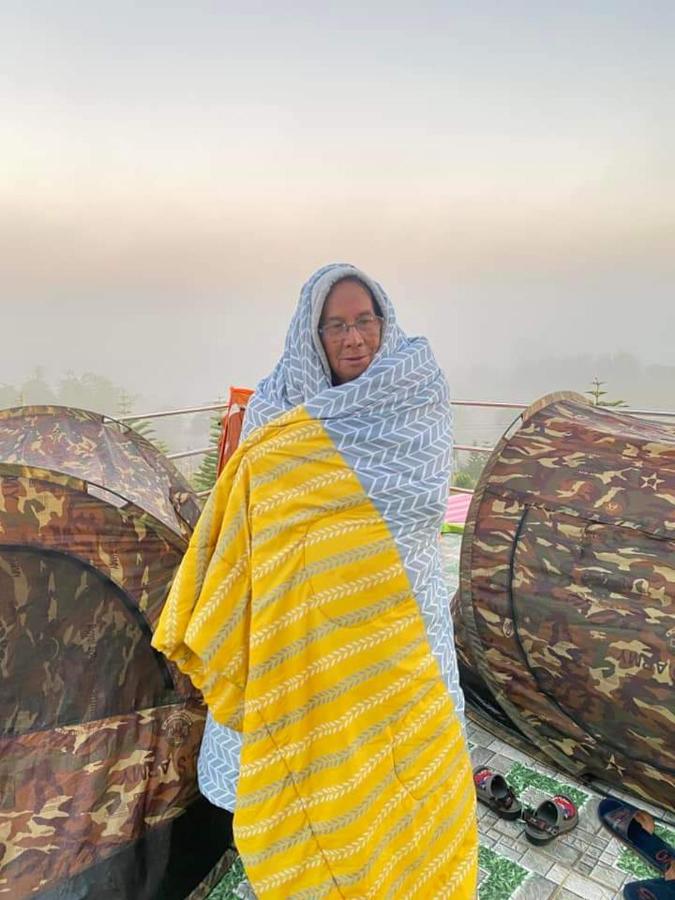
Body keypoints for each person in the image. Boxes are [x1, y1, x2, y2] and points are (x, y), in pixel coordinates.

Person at [153, 263, 478, 898]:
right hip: (300, 642)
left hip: (397, 629)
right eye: (336, 325)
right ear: (313, 333)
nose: (354, 338)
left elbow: (419, 505)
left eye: (364, 321)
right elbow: (255, 525)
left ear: (383, 322)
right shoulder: (277, 412)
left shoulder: (415, 393)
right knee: (310, 777)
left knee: (405, 775)